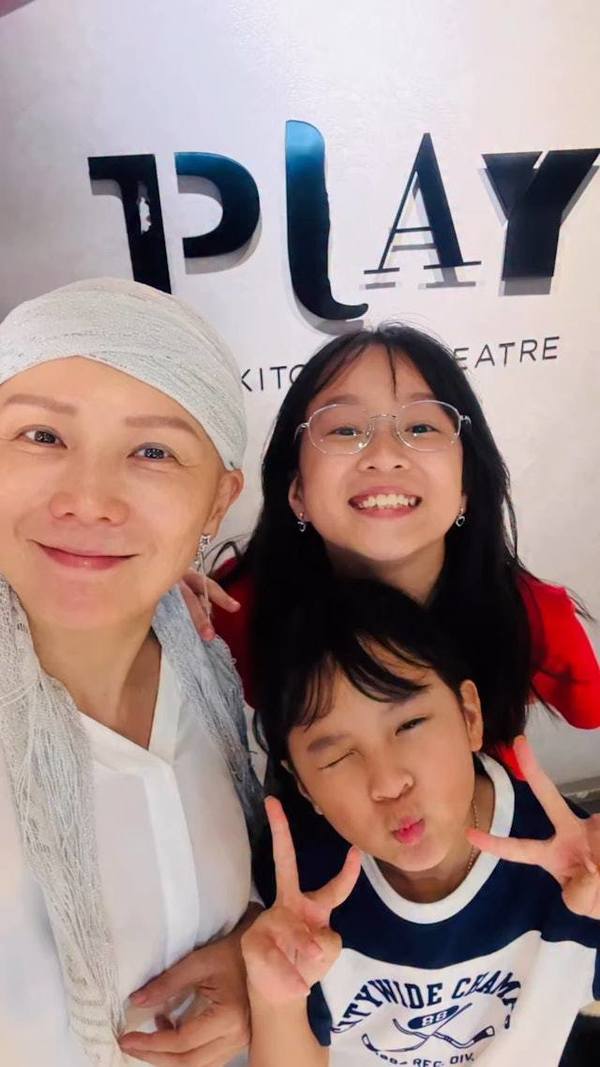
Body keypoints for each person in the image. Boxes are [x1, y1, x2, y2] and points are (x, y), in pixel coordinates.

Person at [0, 277, 262, 1067]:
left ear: (216, 503)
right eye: (42, 435)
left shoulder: (224, 681)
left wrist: (255, 952)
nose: (89, 500)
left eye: (153, 451)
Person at [184, 325, 599, 777]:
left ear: (465, 488)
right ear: (297, 491)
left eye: (420, 427)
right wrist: (155, 607)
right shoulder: (229, 610)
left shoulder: (532, 614)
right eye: (345, 429)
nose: (384, 455)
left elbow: (590, 711)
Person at [241, 579, 600, 1067]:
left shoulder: (574, 864)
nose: (388, 782)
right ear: (304, 786)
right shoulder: (299, 891)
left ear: (469, 716)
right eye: (338, 756)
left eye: (409, 725)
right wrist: (273, 998)